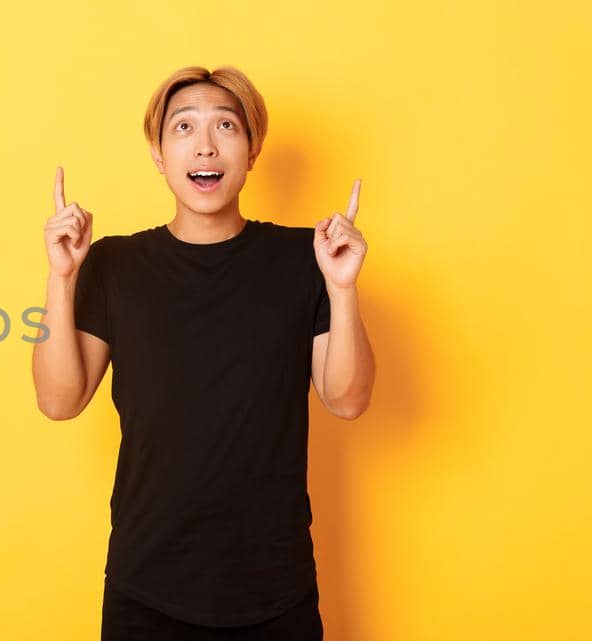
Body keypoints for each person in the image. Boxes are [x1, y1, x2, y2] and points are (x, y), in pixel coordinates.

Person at [30, 65, 376, 640]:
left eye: (226, 126)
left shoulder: (304, 259)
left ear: (252, 150)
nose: (205, 144)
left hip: (276, 586)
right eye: (183, 127)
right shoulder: (114, 266)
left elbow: (347, 400)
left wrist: (342, 288)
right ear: (160, 155)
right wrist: (61, 277)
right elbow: (58, 400)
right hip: (147, 587)